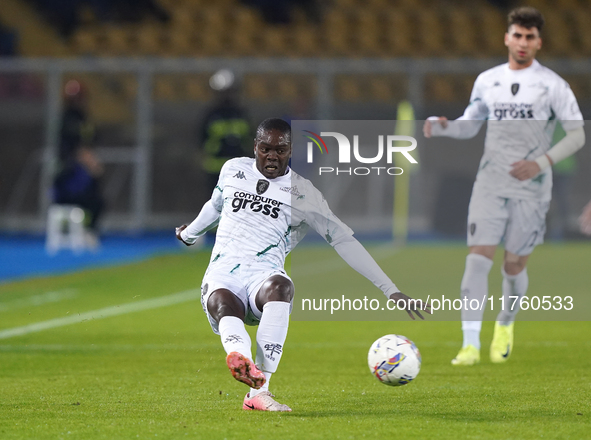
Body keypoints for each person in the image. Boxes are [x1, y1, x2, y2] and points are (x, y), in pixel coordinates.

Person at [176, 118, 430, 411]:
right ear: (255, 147)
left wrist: (390, 289)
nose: (272, 155)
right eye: (265, 148)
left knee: (282, 286)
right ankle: (240, 359)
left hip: (263, 277)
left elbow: (343, 241)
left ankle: (259, 392)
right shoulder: (233, 169)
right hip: (223, 276)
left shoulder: (303, 193)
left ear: (291, 150)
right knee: (221, 299)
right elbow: (216, 205)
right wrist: (190, 233)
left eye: (280, 150)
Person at [423, 6, 585, 366]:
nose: (523, 42)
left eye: (530, 37)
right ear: (507, 38)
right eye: (518, 35)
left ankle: (506, 323)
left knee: (513, 266)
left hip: (532, 188)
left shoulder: (553, 86)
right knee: (477, 260)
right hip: (490, 183)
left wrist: (539, 163)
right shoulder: (488, 80)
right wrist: (446, 126)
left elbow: (577, 135)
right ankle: (469, 344)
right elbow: (470, 124)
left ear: (538, 42)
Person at [53, 79, 105, 247]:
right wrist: (89, 162)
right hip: (69, 173)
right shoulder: (68, 118)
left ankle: (88, 231)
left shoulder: (84, 117)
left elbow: (90, 141)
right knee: (91, 200)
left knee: (97, 200)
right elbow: (75, 147)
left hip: (83, 172)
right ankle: (81, 231)